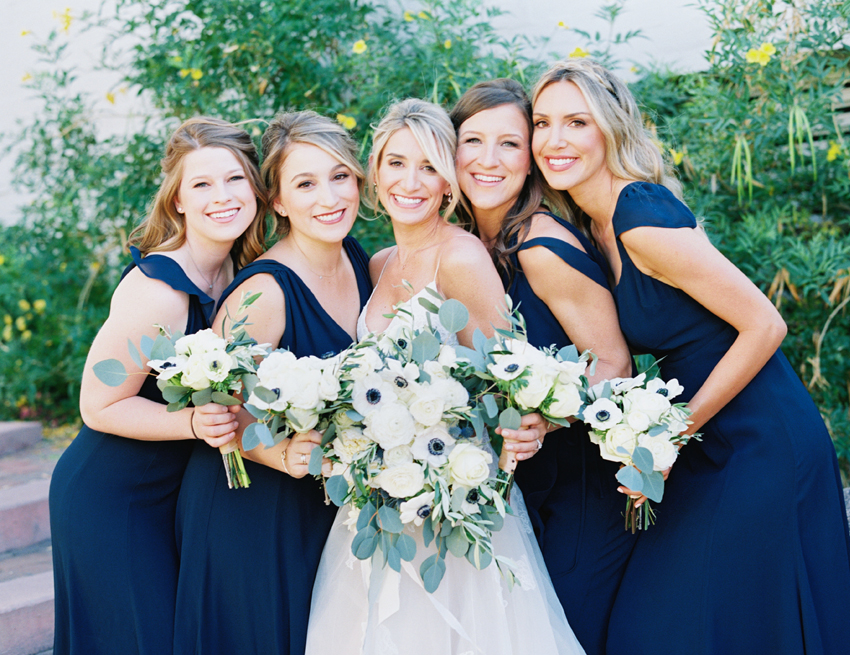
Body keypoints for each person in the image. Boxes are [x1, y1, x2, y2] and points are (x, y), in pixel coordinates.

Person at [532, 57, 850, 655]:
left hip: (759, 439)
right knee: (664, 624)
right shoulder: (589, 226)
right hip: (703, 441)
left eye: (576, 122)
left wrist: (672, 434)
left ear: (610, 128)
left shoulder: (639, 217)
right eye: (542, 123)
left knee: (689, 625)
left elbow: (765, 323)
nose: (555, 140)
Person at [305, 98, 585, 655]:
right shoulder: (380, 263)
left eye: (430, 167)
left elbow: (509, 379)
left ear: (448, 183)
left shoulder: (461, 257)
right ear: (375, 171)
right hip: (379, 501)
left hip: (453, 501)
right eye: (396, 163)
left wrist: (490, 441)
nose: (410, 182)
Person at [49, 117, 267, 655]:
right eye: (202, 184)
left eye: (235, 179)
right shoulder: (160, 290)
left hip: (173, 499)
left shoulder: (239, 275)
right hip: (113, 498)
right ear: (178, 201)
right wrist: (194, 422)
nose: (223, 196)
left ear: (257, 189)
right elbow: (97, 405)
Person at [172, 110, 372, 655]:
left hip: (321, 508)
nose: (329, 197)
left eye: (340, 176)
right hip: (250, 512)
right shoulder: (263, 291)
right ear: (278, 200)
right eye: (305, 184)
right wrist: (282, 453)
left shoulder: (356, 257)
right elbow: (219, 410)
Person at [450, 78, 635, 655]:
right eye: (472, 140)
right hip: (513, 496)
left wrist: (547, 419)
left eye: (509, 143)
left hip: (578, 490)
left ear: (530, 158)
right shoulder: (458, 247)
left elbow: (614, 363)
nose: (488, 159)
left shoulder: (540, 245)